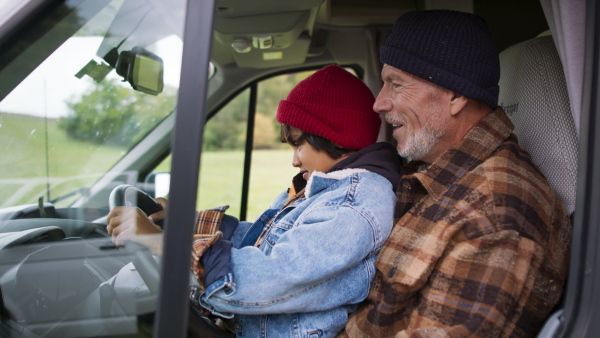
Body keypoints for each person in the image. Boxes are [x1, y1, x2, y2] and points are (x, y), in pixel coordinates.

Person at [107, 64, 403, 337]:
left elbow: (274, 275)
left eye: (298, 143)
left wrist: (165, 243)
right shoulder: (325, 189)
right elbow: (261, 242)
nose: (294, 159)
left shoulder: (355, 205)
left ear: (333, 135)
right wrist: (186, 223)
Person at [339, 10, 572, 338]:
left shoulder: (496, 217)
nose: (379, 103)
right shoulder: (432, 171)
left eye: (396, 84)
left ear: (456, 95)